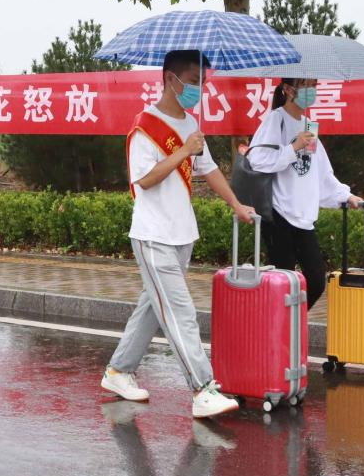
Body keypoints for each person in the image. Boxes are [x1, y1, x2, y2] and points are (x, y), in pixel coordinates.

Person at [102, 50, 257, 420]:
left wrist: (236, 204)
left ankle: (118, 372)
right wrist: (184, 151)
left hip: (182, 233)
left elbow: (209, 169)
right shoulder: (145, 126)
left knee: (152, 308)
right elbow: (144, 179)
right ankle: (202, 388)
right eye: (192, 81)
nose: (198, 89)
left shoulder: (190, 124)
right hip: (152, 235)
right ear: (170, 79)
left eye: (202, 81)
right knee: (180, 312)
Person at [245, 78, 361, 309]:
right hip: (278, 214)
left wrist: (345, 195)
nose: (312, 91)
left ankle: (288, 325)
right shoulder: (276, 119)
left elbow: (320, 172)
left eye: (314, 85)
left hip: (303, 216)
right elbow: (257, 160)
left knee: (316, 280)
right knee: (282, 284)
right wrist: (293, 148)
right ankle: (279, 327)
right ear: (288, 90)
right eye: (306, 85)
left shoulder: (309, 126)